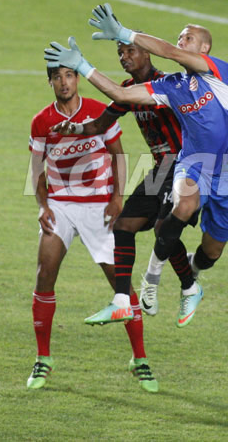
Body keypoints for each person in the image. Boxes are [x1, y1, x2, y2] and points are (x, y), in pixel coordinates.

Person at [43, 3, 228, 329]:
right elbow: (110, 108)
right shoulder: (165, 89)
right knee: (131, 225)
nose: (124, 57)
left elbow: (169, 52)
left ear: (204, 48)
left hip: (226, 173)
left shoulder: (216, 71)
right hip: (181, 167)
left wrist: (125, 32)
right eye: (120, 53)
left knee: (209, 254)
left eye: (188, 37)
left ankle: (191, 278)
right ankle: (129, 297)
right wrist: (81, 67)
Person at [26, 63, 158, 392]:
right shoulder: (42, 121)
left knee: (121, 284)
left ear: (77, 79)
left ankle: (140, 360)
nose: (64, 82)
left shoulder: (99, 112)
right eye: (57, 77)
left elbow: (118, 155)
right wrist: (43, 206)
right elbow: (37, 170)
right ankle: (43, 359)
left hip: (100, 207)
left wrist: (117, 198)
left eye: (69, 75)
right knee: (45, 273)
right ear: (50, 82)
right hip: (61, 206)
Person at [50, 40, 199, 320]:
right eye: (120, 52)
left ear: (147, 53)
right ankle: (121, 301)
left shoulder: (167, 84)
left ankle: (189, 286)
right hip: (161, 168)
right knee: (124, 225)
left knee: (161, 227)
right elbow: (100, 124)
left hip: (184, 166)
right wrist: (75, 127)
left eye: (130, 50)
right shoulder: (128, 89)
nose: (124, 56)